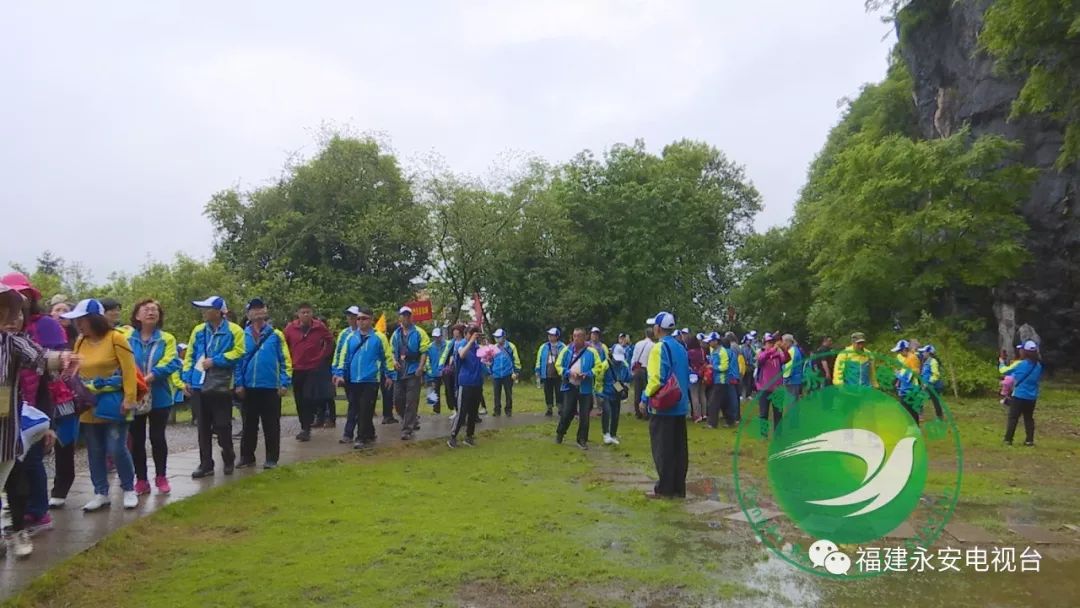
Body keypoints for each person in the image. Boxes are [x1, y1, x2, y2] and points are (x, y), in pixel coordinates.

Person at [2, 286, 77, 558]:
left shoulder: (14, 342)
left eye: (12, 309)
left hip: (7, 427)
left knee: (14, 477)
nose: (9, 315)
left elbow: (43, 357)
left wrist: (63, 357)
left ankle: (18, 530)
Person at [64, 299, 141, 511]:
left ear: (94, 319)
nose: (78, 324)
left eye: (82, 320)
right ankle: (100, 492)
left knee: (117, 447)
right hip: (88, 403)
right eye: (77, 320)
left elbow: (129, 370)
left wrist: (129, 398)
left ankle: (128, 489)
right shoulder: (80, 341)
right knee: (94, 449)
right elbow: (76, 369)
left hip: (114, 402)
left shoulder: (116, 338)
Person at [183, 296, 245, 478]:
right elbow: (190, 355)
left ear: (219, 312)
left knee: (222, 425)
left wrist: (216, 361)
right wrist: (186, 378)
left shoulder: (234, 330)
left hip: (221, 384)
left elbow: (240, 353)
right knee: (202, 427)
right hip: (199, 383)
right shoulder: (199, 330)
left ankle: (228, 456)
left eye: (207, 309)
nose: (203, 312)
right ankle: (206, 464)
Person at [127, 299, 181, 497]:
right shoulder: (127, 337)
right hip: (135, 394)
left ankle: (161, 476)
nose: (151, 312)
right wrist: (136, 382)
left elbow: (172, 361)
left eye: (155, 310)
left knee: (157, 437)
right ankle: (141, 479)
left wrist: (149, 377)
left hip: (159, 395)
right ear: (137, 315)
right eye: (146, 309)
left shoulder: (167, 338)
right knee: (137, 439)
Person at [235, 299, 292, 469]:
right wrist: (239, 384)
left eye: (260, 309)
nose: (258, 313)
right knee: (248, 425)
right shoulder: (241, 335)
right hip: (249, 388)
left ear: (266, 311)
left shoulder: (276, 335)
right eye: (254, 309)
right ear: (248, 314)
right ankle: (247, 456)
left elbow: (285, 360)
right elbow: (237, 362)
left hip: (270, 387)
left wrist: (284, 382)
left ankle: (271, 458)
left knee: (271, 425)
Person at [644, 311, 690, 499]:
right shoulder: (681, 347)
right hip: (680, 405)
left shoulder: (658, 348)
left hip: (664, 405)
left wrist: (644, 397)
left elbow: (656, 379)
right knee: (679, 449)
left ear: (657, 328)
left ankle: (664, 488)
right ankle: (679, 488)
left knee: (663, 449)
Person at [335, 307, 395, 450]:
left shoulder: (379, 337)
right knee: (355, 407)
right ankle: (369, 433)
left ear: (371, 320)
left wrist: (389, 375)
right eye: (359, 319)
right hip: (354, 379)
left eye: (364, 318)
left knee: (366, 408)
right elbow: (343, 356)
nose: (361, 321)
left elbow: (387, 357)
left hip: (371, 379)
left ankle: (360, 437)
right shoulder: (350, 337)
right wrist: (339, 374)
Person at [283, 303, 334, 440]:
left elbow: (329, 341)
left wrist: (322, 355)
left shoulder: (319, 327)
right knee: (299, 399)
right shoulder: (290, 328)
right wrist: (288, 358)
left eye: (308, 312)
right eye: (303, 312)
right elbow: (283, 344)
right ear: (298, 314)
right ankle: (304, 426)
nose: (306, 315)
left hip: (313, 368)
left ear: (312, 313)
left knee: (308, 397)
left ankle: (308, 426)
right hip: (297, 368)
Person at [554, 328, 605, 450]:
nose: (576, 338)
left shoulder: (591, 352)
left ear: (585, 338)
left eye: (579, 336)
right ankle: (560, 433)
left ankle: (582, 439)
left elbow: (599, 366)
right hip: (570, 386)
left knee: (584, 416)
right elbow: (558, 365)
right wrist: (568, 372)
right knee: (567, 412)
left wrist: (588, 374)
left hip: (585, 388)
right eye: (574, 336)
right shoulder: (566, 350)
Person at [390, 307, 430, 440]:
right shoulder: (396, 334)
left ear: (411, 317)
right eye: (403, 316)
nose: (405, 318)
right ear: (400, 317)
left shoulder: (419, 332)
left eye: (408, 316)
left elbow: (424, 351)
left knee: (411, 401)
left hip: (413, 370)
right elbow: (391, 351)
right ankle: (410, 419)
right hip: (399, 371)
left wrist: (420, 367)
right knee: (398, 400)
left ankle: (407, 429)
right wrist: (394, 361)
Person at [447, 325, 484, 448]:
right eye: (471, 333)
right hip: (465, 383)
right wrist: (471, 341)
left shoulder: (478, 348)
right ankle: (453, 436)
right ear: (466, 334)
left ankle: (469, 436)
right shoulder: (461, 344)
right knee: (462, 411)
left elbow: (485, 361)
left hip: (477, 382)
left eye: (475, 334)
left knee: (473, 412)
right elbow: (462, 355)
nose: (473, 336)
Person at [1000, 340, 1043, 446]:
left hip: (1019, 395)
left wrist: (1001, 361)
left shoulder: (1020, 363)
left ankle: (1008, 439)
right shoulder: (1038, 366)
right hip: (1032, 396)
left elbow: (1004, 371)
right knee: (1028, 418)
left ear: (1025, 351)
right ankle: (1029, 440)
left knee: (1013, 417)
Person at [333, 306, 360, 442]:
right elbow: (338, 354)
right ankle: (358, 431)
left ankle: (349, 433)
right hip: (347, 375)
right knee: (354, 403)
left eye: (353, 316)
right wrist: (336, 373)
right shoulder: (344, 334)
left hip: (362, 375)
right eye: (349, 316)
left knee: (356, 404)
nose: (351, 319)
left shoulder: (366, 333)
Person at [756, 333, 791, 433]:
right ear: (764, 344)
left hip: (777, 388)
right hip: (764, 388)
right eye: (769, 343)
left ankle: (778, 434)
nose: (771, 344)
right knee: (763, 413)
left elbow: (787, 359)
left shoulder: (778, 355)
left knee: (778, 413)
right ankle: (763, 433)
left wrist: (784, 349)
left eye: (772, 342)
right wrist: (773, 349)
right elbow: (761, 359)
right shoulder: (761, 353)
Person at [600, 338, 630, 445]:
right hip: (606, 393)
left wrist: (624, 386)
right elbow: (599, 378)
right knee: (607, 412)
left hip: (617, 393)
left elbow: (628, 378)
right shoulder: (605, 365)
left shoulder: (624, 366)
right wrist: (599, 392)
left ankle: (613, 434)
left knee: (616, 414)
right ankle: (606, 434)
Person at [490, 328, 521, 417]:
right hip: (496, 374)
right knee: (496, 394)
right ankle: (497, 410)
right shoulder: (493, 348)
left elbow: (516, 359)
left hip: (508, 373)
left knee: (508, 393)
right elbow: (490, 360)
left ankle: (508, 409)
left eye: (498, 337)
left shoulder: (511, 346)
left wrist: (516, 371)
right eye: (496, 337)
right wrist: (491, 371)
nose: (497, 339)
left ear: (504, 337)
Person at [534, 328, 565, 417]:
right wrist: (537, 370)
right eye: (549, 335)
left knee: (559, 391)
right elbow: (539, 359)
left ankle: (560, 408)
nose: (550, 337)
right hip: (546, 372)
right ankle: (549, 408)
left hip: (558, 373)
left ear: (557, 336)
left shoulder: (562, 346)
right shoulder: (544, 346)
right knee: (548, 392)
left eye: (552, 335)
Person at [630, 323, 656, 419]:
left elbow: (634, 358)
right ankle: (646, 412)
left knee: (637, 391)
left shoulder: (638, 344)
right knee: (647, 391)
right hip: (647, 369)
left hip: (637, 369)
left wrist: (632, 370)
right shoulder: (653, 345)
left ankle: (638, 412)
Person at [440, 324, 465, 416]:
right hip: (450, 370)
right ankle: (454, 409)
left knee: (460, 390)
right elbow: (446, 355)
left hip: (461, 370)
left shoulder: (464, 342)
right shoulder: (450, 343)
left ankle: (462, 410)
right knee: (449, 390)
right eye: (453, 331)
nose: (455, 332)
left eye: (457, 330)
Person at [706, 333, 729, 428]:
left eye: (711, 341)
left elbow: (725, 366)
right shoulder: (713, 350)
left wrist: (713, 367)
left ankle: (712, 423)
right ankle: (730, 420)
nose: (709, 343)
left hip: (721, 380)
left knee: (714, 402)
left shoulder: (722, 351)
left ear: (716, 341)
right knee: (723, 402)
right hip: (715, 380)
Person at [919, 345, 946, 420]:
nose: (922, 353)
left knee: (935, 401)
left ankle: (939, 417)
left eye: (924, 352)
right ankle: (920, 415)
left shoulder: (933, 362)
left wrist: (927, 383)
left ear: (929, 353)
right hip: (926, 385)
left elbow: (936, 375)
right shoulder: (926, 361)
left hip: (933, 386)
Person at [685, 334, 708, 423]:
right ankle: (704, 413)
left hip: (693, 375)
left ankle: (697, 415)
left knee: (694, 395)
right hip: (702, 373)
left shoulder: (689, 353)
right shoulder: (702, 350)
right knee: (702, 394)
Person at [425, 327, 446, 414]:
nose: (436, 338)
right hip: (434, 373)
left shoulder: (446, 345)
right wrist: (430, 372)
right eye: (435, 336)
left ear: (441, 336)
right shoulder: (429, 347)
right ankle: (435, 410)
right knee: (434, 391)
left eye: (438, 336)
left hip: (444, 371)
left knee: (448, 390)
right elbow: (427, 360)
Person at [723, 332, 743, 424]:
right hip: (737, 374)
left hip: (731, 375)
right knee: (735, 397)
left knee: (732, 397)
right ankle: (736, 416)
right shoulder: (736, 347)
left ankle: (734, 417)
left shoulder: (731, 349)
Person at [740, 334, 757, 401]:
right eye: (748, 340)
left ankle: (748, 395)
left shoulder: (751, 348)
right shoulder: (742, 348)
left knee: (749, 381)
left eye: (750, 340)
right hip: (743, 366)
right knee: (742, 381)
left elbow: (755, 355)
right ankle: (741, 395)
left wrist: (753, 360)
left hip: (750, 366)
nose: (749, 341)